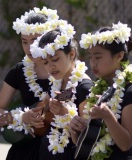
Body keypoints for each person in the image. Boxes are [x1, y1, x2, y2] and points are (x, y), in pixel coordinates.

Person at [0, 7, 59, 160]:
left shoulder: (63, 69)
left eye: (34, 41)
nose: (29, 48)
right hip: (25, 149)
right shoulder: (18, 71)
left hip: (57, 146)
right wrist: (20, 117)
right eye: (24, 41)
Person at [69, 22, 132, 160]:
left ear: (119, 56)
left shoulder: (131, 93)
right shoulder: (97, 90)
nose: (92, 63)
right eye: (90, 57)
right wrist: (75, 130)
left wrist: (108, 116)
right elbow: (86, 142)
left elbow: (125, 144)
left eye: (98, 57)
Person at [30, 20, 93, 160]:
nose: (51, 67)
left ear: (71, 54)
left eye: (55, 59)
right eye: (45, 62)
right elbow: (44, 108)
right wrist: (38, 114)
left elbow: (88, 138)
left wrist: (66, 113)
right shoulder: (55, 83)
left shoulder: (84, 87)